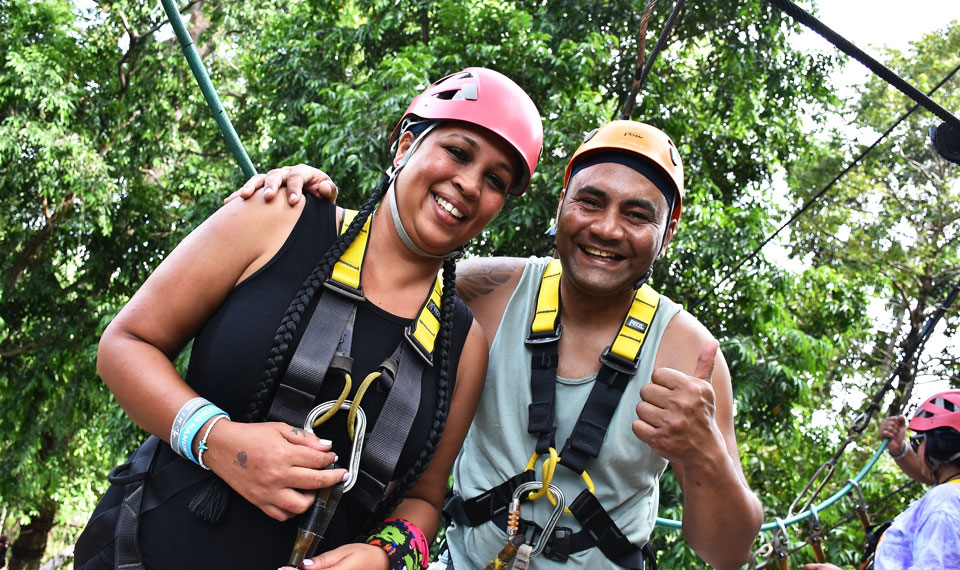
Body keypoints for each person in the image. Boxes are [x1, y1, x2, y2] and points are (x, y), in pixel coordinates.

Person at [74, 67, 543, 570]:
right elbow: (126, 344)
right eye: (458, 151)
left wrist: (385, 557)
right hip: (140, 551)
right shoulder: (280, 218)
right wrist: (220, 441)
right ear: (405, 146)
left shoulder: (462, 344)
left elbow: (425, 501)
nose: (470, 184)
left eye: (496, 180)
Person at [250, 119, 763, 569]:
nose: (606, 229)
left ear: (667, 230)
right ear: (562, 205)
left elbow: (727, 552)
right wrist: (299, 200)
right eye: (590, 201)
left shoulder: (688, 357)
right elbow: (385, 251)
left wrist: (705, 457)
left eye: (636, 215)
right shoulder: (486, 293)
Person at [803, 389, 960, 570]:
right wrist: (899, 449)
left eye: (918, 441)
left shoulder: (946, 501)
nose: (915, 451)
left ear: (941, 444)